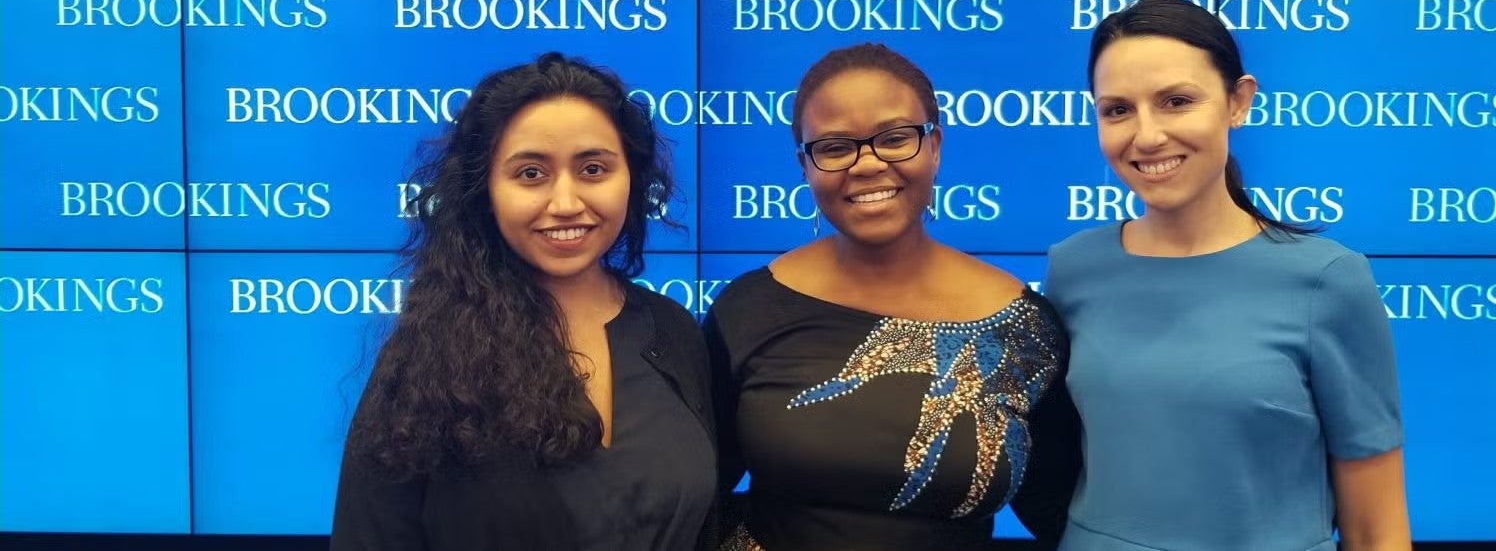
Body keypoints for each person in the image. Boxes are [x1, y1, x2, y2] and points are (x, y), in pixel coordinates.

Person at [1045, 0, 1410, 551]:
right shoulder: (1072, 267)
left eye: (1176, 101)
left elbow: (1375, 527)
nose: (1146, 136)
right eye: (1117, 109)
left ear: (1238, 102)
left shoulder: (1328, 279)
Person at [330, 52, 716, 551]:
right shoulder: (429, 354)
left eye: (594, 168)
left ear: (633, 180)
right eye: (531, 174)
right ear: (485, 190)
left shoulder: (673, 331)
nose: (565, 203)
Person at [705, 42, 1079, 551]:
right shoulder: (746, 309)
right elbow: (693, 491)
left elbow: (1061, 508)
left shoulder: (1023, 328)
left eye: (895, 137)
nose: (866, 164)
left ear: (936, 145)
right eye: (835, 147)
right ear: (804, 166)